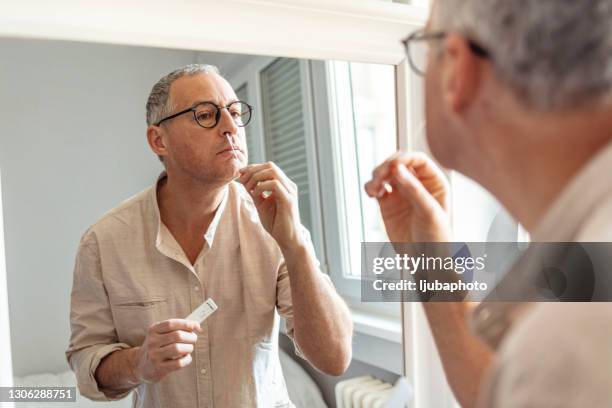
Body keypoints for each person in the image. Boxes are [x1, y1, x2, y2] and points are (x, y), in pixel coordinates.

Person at [365, 0, 612, 406]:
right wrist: (431, 257)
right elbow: (499, 389)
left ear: (456, 71)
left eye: (424, 45)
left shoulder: (570, 341)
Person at [66, 64, 353, 408]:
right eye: (206, 115)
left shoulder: (274, 224)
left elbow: (334, 359)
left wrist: (295, 244)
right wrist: (139, 362)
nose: (231, 127)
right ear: (159, 140)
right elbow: (87, 364)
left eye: (235, 113)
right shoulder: (103, 243)